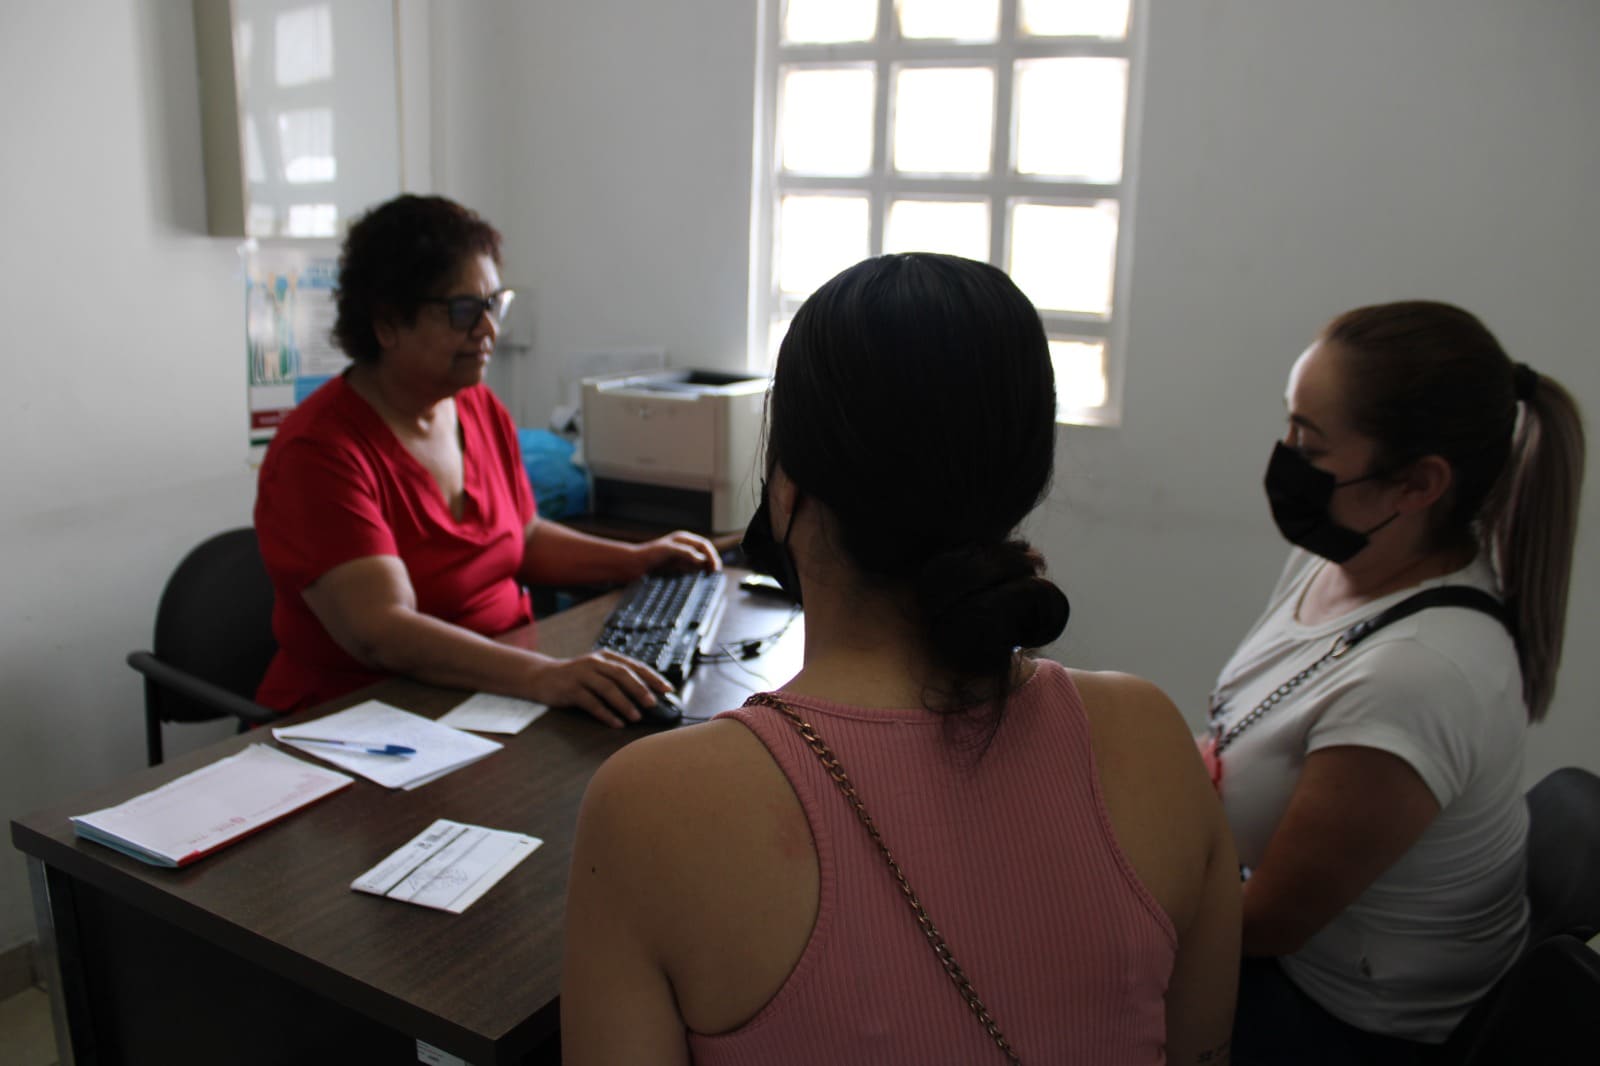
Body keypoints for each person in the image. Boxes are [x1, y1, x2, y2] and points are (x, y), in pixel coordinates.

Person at [561, 253, 1240, 1064]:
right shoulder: (1153, 734)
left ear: (786, 488)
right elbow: (1198, 1048)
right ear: (1025, 475)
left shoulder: (651, 804)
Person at [1204, 301, 1586, 1063]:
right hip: (1285, 944)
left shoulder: (1417, 674)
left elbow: (1267, 924)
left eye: (1309, 446)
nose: (1283, 459)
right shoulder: (1340, 561)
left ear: (1417, 484)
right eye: (1289, 425)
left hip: (1346, 1020)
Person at [253, 194, 719, 725]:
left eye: (493, 304)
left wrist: (635, 561)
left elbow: (523, 537)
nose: (489, 329)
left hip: (487, 693)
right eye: (462, 311)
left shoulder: (476, 406)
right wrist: (544, 676)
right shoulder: (318, 452)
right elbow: (381, 632)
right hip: (361, 721)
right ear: (386, 323)